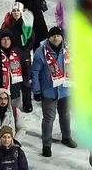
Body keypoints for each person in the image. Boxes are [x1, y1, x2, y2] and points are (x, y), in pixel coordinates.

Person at [30, 25, 76, 156]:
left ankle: (66, 137)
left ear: (62, 37)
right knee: (49, 119)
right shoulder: (40, 52)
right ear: (49, 38)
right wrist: (37, 91)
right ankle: (46, 145)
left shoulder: (68, 50)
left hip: (65, 90)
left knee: (65, 115)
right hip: (48, 92)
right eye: (53, 36)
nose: (56, 38)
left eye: (58, 35)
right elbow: (35, 73)